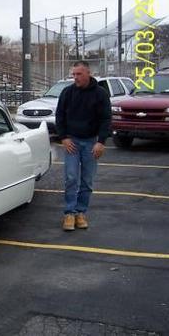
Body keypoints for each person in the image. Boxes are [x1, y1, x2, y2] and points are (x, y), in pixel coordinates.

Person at [55, 61, 111, 231]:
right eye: (73, 74)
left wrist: (101, 142)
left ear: (88, 73)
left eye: (79, 74)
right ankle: (69, 213)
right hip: (72, 142)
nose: (75, 77)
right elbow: (59, 116)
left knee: (87, 180)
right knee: (71, 178)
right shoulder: (67, 92)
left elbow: (106, 119)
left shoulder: (100, 94)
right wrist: (63, 138)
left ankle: (81, 212)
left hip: (91, 143)